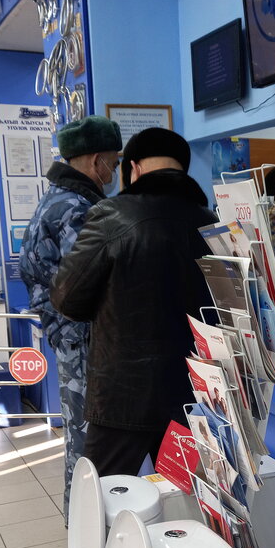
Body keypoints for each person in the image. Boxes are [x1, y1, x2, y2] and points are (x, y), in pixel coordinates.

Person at [51, 127, 216, 477]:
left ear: (135, 168)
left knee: (103, 495)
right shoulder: (211, 223)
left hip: (121, 395)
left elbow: (68, 298)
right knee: (183, 493)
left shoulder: (112, 215)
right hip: (193, 392)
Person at [18, 116, 122, 516]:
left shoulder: (55, 199)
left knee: (81, 435)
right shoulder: (78, 209)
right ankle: (84, 525)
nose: (114, 172)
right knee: (89, 439)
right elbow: (92, 279)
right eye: (113, 163)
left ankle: (82, 523)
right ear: (96, 161)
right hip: (83, 338)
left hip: (69, 335)